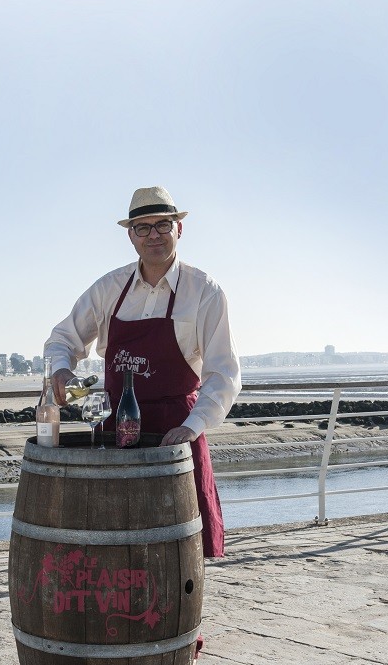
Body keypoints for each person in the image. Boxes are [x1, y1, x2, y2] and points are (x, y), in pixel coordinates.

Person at [44, 186, 241, 560]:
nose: (154, 235)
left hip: (175, 433)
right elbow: (61, 339)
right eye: (143, 227)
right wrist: (62, 370)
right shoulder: (109, 288)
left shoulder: (205, 291)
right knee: (109, 543)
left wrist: (193, 426)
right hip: (115, 430)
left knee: (180, 549)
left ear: (178, 229)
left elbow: (224, 373)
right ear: (130, 236)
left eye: (163, 225)